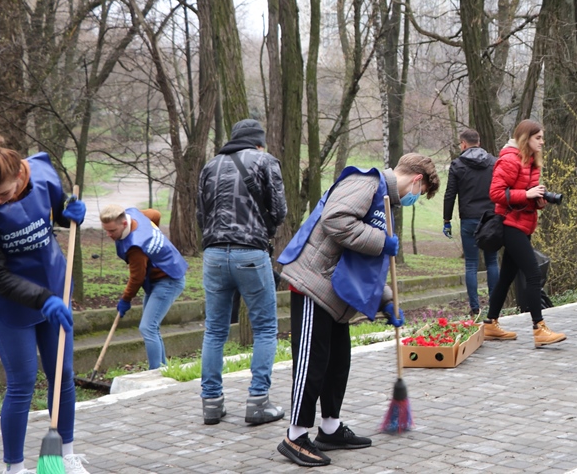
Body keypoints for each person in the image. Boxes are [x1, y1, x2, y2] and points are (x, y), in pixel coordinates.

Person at [275, 153, 440, 467]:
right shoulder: (366, 183)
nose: (415, 199)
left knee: (338, 363)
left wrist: (386, 301)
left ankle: (330, 428)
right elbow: (336, 220)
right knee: (312, 363)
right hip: (314, 284)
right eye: (420, 193)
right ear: (417, 180)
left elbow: (362, 264)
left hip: (336, 293)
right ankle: (295, 436)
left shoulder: (383, 201)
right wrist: (381, 241)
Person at [0, 135, 90, 474]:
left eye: (2, 194)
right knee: (22, 384)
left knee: (63, 375)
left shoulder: (42, 174)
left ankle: (65, 456)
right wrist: (44, 300)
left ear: (19, 175)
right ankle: (14, 469)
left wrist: (72, 213)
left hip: (55, 287)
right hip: (10, 303)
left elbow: (58, 215)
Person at [196, 119, 288, 426]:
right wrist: (264, 228)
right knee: (265, 328)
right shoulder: (265, 161)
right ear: (258, 142)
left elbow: (201, 213)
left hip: (213, 255)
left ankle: (211, 404)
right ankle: (258, 401)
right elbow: (279, 209)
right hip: (250, 253)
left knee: (214, 330)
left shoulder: (210, 166)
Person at [482, 120, 567, 347]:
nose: (542, 142)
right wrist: (526, 194)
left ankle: (490, 324)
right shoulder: (510, 160)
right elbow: (495, 193)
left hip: (524, 224)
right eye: (538, 138)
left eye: (542, 137)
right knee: (533, 274)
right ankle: (539, 329)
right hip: (509, 224)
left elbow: (524, 195)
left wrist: (538, 200)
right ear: (525, 138)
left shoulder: (531, 161)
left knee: (506, 277)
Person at [99, 204, 188, 369]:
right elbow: (155, 214)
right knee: (152, 327)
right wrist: (153, 242)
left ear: (124, 223)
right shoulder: (133, 214)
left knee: (148, 328)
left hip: (169, 279)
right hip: (157, 278)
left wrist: (126, 299)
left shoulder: (136, 248)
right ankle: (162, 369)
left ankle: (155, 373)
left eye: (112, 231)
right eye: (106, 230)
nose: (109, 235)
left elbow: (137, 278)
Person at [442, 129, 499, 317]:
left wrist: (447, 220)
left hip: (469, 219)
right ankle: (495, 305)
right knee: (492, 262)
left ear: (463, 144)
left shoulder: (457, 165)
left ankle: (475, 308)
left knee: (471, 265)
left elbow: (450, 194)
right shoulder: (493, 162)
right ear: (479, 142)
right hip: (491, 218)